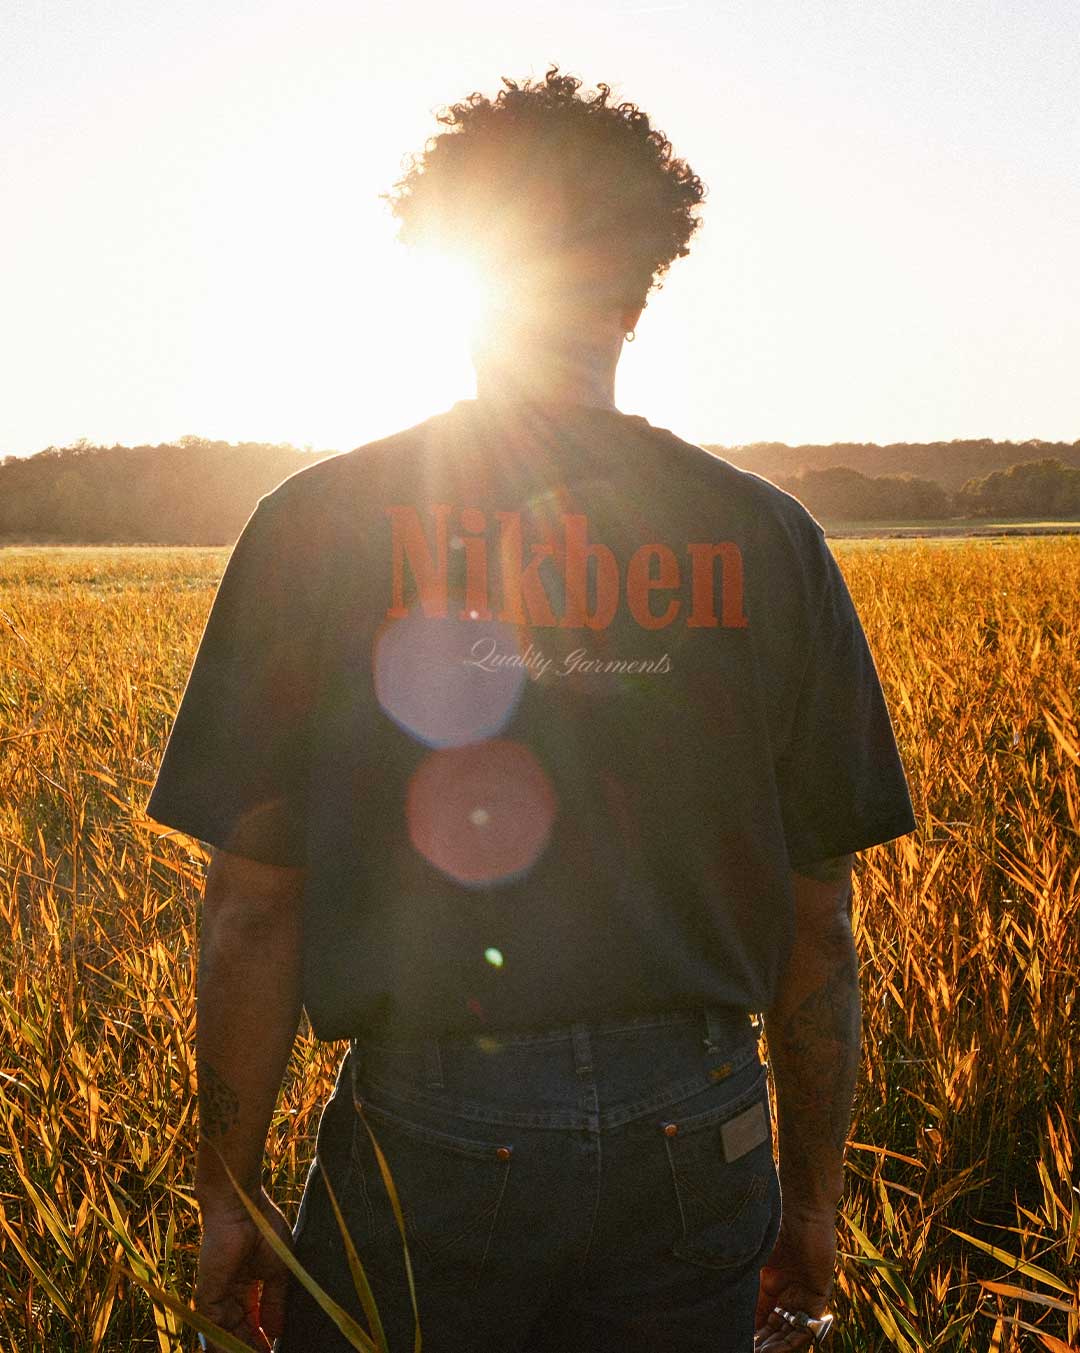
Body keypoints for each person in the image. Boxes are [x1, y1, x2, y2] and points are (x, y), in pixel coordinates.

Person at [145, 65, 917, 1353]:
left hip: (435, 1124)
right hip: (703, 1121)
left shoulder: (316, 527)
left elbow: (254, 902)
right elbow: (818, 924)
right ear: (639, 284)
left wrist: (228, 1197)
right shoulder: (768, 539)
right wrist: (817, 1202)